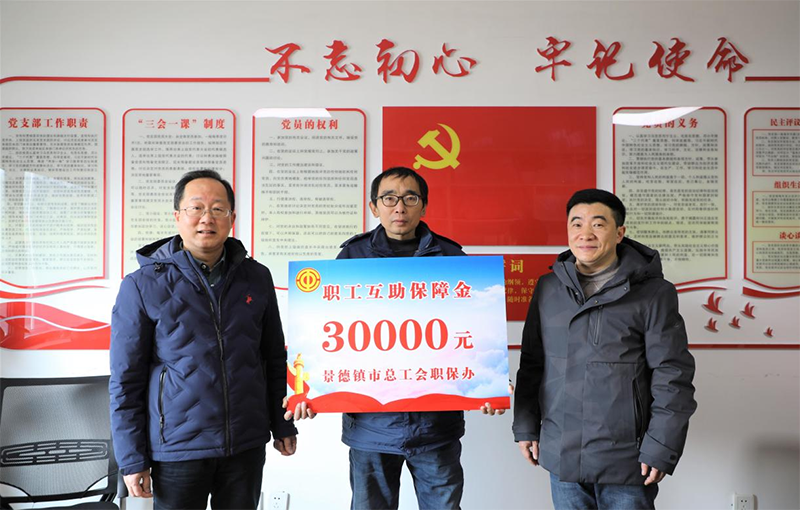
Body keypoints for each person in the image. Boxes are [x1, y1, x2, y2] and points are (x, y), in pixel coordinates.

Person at [287, 166, 502, 510]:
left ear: (424, 206)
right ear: (374, 206)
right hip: (370, 426)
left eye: (410, 198)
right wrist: (308, 391)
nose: (399, 207)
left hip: (436, 428)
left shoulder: (451, 258)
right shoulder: (352, 257)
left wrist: (491, 387)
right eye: (389, 198)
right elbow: (325, 334)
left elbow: (475, 334)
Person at [110, 170, 297, 510]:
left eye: (218, 209)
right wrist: (131, 457)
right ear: (177, 216)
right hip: (177, 447)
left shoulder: (256, 277)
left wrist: (282, 424)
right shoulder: (142, 285)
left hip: (245, 443)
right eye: (196, 208)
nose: (207, 218)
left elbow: (272, 357)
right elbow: (126, 378)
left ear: (232, 218)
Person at [512, 188, 697, 510]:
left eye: (598, 224)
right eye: (576, 224)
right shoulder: (549, 287)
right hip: (561, 451)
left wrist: (662, 446)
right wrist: (526, 426)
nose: (585, 234)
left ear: (619, 233)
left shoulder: (653, 293)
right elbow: (532, 363)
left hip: (627, 457)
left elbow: (672, 373)